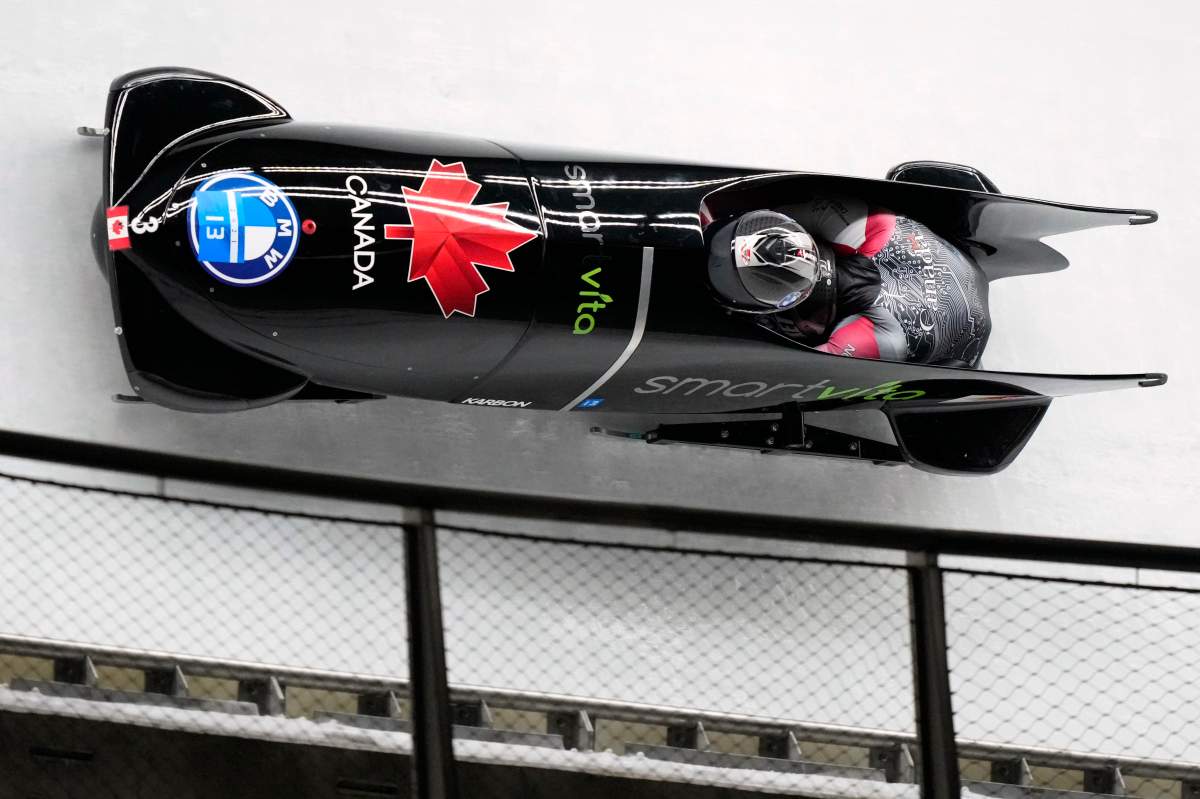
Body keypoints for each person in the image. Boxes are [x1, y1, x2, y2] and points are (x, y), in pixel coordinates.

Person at [707, 198, 991, 367]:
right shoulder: (855, 226)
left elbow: (794, 372)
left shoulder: (867, 338)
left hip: (961, 349)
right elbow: (782, 216)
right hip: (951, 261)